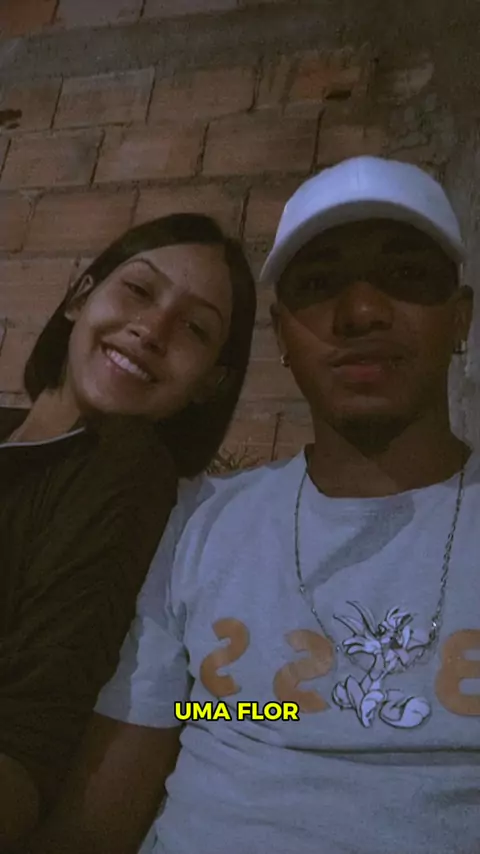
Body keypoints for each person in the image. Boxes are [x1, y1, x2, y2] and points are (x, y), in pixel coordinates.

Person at [27, 157, 479, 854]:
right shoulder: (197, 522)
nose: (361, 312)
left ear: (461, 318)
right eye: (320, 285)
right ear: (283, 336)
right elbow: (106, 808)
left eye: (405, 274)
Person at [0, 213, 256, 852]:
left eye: (195, 329)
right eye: (139, 290)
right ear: (80, 296)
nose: (152, 330)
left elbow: (30, 736)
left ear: (211, 384)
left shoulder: (126, 474)